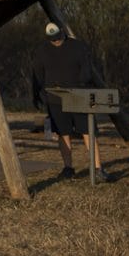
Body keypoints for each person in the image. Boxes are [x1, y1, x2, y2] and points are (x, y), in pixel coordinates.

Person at [32, 21, 115, 182]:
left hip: (79, 98)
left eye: (57, 37)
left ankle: (98, 168)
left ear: (63, 31)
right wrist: (35, 93)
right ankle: (68, 168)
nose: (56, 41)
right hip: (55, 99)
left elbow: (86, 69)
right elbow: (37, 74)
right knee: (62, 133)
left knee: (87, 131)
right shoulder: (41, 51)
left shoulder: (78, 47)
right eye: (52, 39)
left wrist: (83, 85)